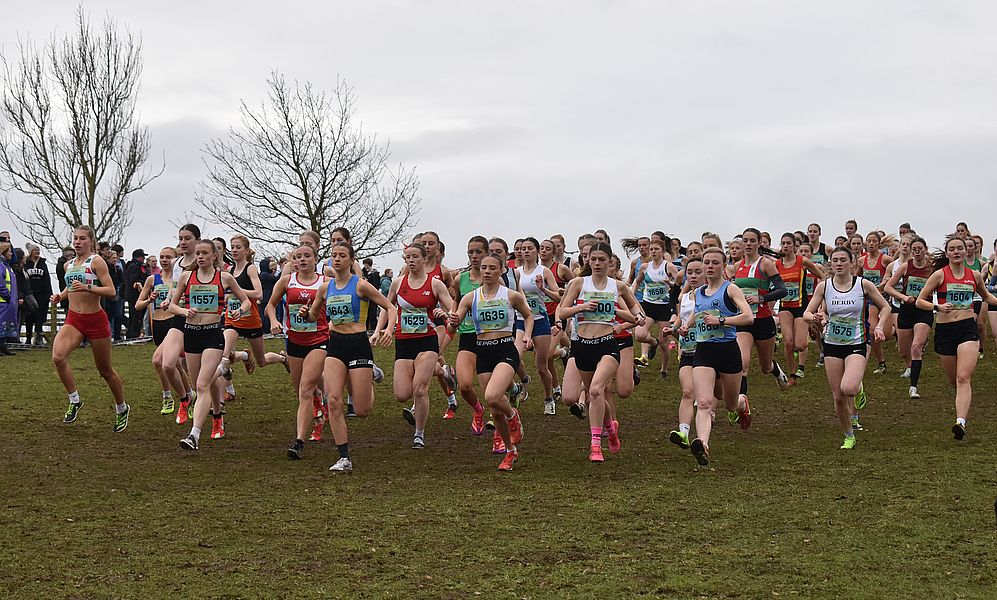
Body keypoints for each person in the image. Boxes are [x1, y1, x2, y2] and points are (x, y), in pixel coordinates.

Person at [306, 241, 395, 472]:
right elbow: (314, 316)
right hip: (335, 345)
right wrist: (307, 313)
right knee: (333, 401)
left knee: (362, 410)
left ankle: (370, 373)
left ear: (351, 260)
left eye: (342, 255)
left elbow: (389, 307)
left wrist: (387, 329)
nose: (336, 259)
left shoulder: (361, 286)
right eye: (334, 255)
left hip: (358, 344)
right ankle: (344, 457)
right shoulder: (325, 288)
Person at [557, 242, 643, 463]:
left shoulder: (618, 287)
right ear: (588, 261)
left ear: (609, 261)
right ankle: (609, 427)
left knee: (595, 390)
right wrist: (581, 307)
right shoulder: (578, 283)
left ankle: (595, 446)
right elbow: (562, 310)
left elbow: (637, 313)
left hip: (607, 345)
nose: (596, 263)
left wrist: (628, 315)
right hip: (582, 345)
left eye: (601, 260)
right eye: (592, 259)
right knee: (585, 395)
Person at [448, 252, 532, 470]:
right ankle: (510, 451)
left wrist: (526, 336)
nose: (487, 271)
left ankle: (514, 417)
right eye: (484, 267)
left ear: (501, 270)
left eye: (492, 268)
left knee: (493, 396)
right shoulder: (471, 297)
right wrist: (453, 321)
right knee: (494, 409)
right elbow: (453, 325)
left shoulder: (511, 295)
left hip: (505, 349)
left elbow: (529, 315)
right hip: (482, 351)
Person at [804, 246, 891, 449]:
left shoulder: (863, 285)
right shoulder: (824, 287)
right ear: (831, 264)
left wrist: (878, 326)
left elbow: (885, 307)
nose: (839, 264)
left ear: (852, 263)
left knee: (848, 388)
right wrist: (815, 317)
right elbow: (807, 314)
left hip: (857, 343)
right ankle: (849, 434)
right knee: (838, 396)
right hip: (832, 344)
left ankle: (858, 387)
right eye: (835, 260)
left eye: (843, 260)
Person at [676, 247, 754, 466]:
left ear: (723, 265)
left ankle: (742, 402)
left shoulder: (731, 289)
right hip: (704, 352)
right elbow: (698, 311)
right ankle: (703, 445)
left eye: (714, 263)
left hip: (728, 351)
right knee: (703, 402)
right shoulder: (699, 292)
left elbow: (748, 317)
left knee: (729, 404)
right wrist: (685, 326)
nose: (710, 267)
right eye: (706, 263)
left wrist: (721, 321)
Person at [915, 236, 997, 440]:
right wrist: (937, 307)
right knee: (954, 380)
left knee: (963, 377)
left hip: (968, 329)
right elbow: (919, 301)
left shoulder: (975, 275)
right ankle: (963, 398)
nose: (957, 252)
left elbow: (986, 297)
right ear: (947, 253)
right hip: (945, 330)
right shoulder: (939, 275)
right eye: (952, 249)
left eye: (960, 248)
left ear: (966, 250)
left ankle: (960, 422)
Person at [174, 239, 253, 451]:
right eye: (197, 253)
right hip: (191, 334)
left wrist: (239, 311)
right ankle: (217, 414)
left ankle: (194, 435)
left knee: (201, 385)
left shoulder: (224, 278)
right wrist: (183, 311)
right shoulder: (186, 277)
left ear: (214, 256)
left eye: (204, 253)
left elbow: (245, 300)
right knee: (201, 383)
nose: (200, 257)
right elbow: (173, 305)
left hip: (212, 335)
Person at [49, 226, 129, 431]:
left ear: (90, 241)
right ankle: (74, 399)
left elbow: (111, 291)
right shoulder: (68, 265)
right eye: (75, 238)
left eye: (82, 238)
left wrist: (88, 288)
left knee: (105, 370)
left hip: (95, 320)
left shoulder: (96, 261)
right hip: (74, 319)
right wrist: (61, 296)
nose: (77, 242)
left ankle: (122, 408)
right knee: (58, 357)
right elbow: (70, 286)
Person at [380, 243, 454, 449]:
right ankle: (443, 371)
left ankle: (419, 434)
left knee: (419, 389)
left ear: (424, 259)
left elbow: (452, 307)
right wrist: (381, 329)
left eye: (415, 256)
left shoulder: (435, 284)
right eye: (407, 257)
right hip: (404, 342)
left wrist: (446, 314)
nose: (411, 260)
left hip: (427, 340)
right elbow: (387, 307)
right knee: (401, 395)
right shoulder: (397, 283)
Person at [135, 247, 192, 415]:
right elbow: (138, 305)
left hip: (173, 323)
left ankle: (180, 396)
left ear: (175, 260)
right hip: (158, 324)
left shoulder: (178, 278)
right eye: (161, 257)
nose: (164, 260)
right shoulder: (153, 279)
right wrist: (148, 300)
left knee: (163, 362)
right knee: (170, 365)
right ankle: (177, 395)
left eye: (168, 257)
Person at [515, 237, 561, 415]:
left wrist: (543, 289)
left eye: (529, 248)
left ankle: (549, 398)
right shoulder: (516, 272)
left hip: (541, 320)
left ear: (536, 252)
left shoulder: (544, 271)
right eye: (522, 248)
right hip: (520, 320)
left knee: (542, 367)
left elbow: (558, 297)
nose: (525, 251)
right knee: (514, 357)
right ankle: (525, 380)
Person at [884, 236, 934, 398]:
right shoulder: (905, 267)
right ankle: (910, 366)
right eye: (915, 250)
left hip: (924, 310)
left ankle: (913, 387)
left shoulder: (932, 268)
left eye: (920, 249)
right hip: (906, 310)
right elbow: (888, 287)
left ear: (926, 249)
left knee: (916, 347)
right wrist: (903, 297)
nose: (918, 252)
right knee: (903, 351)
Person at [23, 243, 52, 345]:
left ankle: (38, 338)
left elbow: (47, 279)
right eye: (35, 250)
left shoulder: (43, 264)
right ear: (31, 252)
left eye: (38, 250)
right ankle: (27, 338)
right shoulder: (26, 264)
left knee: (40, 316)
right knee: (29, 317)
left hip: (42, 294)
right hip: (31, 294)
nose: (37, 252)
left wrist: (50, 293)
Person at [125, 248, 149, 339]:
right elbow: (134, 280)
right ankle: (133, 335)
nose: (143, 259)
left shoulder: (133, 266)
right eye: (143, 257)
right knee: (135, 317)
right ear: (138, 257)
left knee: (134, 316)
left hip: (133, 295)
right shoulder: (134, 267)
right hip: (134, 295)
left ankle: (132, 334)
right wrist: (144, 282)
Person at [0, 243, 17, 355]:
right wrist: (7, 296)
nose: (11, 253)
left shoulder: (7, 266)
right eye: (10, 251)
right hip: (3, 301)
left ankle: (3, 346)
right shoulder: (1, 266)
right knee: (1, 325)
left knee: (6, 325)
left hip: (8, 302)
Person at [105, 250, 126, 341]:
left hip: (116, 293)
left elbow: (122, 280)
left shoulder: (116, 268)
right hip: (107, 294)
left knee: (118, 315)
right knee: (109, 316)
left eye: (116, 258)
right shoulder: (106, 268)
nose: (115, 260)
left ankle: (117, 336)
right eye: (113, 258)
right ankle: (108, 335)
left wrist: (119, 270)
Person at [362, 258, 381, 332]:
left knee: (372, 313)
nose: (364, 266)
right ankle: (366, 328)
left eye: (365, 264)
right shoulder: (366, 273)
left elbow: (376, 285)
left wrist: (368, 282)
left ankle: (373, 328)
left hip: (373, 296)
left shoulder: (374, 274)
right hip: (367, 296)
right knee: (366, 313)